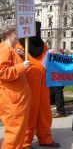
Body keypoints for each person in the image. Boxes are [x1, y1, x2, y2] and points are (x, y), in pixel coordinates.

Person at [17, 21, 60, 148]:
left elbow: (46, 60)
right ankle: (26, 142)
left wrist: (51, 54)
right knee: (30, 113)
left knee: (45, 112)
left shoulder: (42, 45)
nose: (38, 34)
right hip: (29, 86)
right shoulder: (20, 46)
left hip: (44, 84)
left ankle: (45, 138)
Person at [0, 19, 31, 149]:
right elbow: (3, 72)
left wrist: (21, 59)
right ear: (8, 34)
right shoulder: (4, 49)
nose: (19, 35)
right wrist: (21, 66)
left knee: (18, 133)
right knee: (14, 134)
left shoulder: (12, 49)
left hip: (17, 99)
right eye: (16, 32)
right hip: (12, 100)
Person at [50, 48, 66, 118]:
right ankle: (56, 108)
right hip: (55, 77)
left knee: (58, 92)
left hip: (59, 77)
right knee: (53, 91)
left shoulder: (60, 56)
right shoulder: (52, 55)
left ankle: (60, 111)